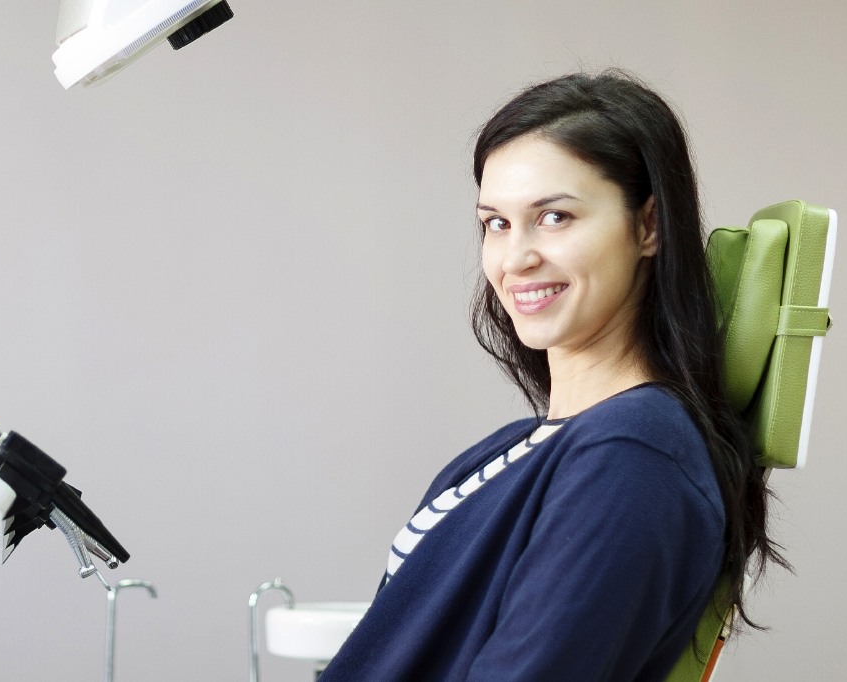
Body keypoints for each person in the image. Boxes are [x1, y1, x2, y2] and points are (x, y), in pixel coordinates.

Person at [317, 71, 785, 681]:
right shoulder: (529, 445)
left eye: (556, 217)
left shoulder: (631, 456)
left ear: (649, 226)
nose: (516, 259)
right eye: (497, 223)